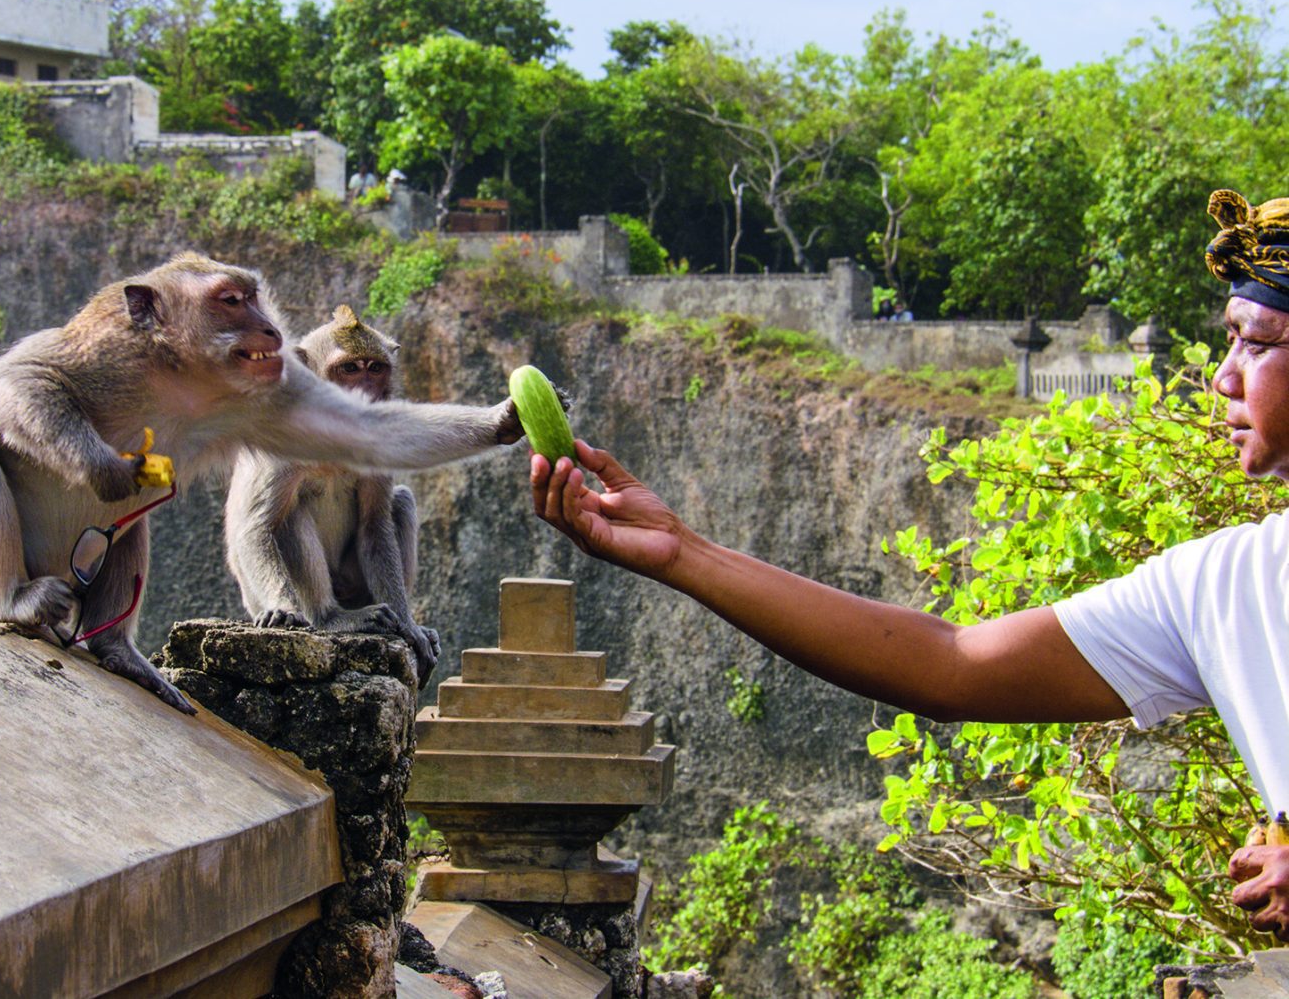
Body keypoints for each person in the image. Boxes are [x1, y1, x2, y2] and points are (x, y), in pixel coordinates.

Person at [528, 188, 1289, 941]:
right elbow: (948, 664)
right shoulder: (1227, 587)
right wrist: (682, 553)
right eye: (1227, 340)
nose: (1222, 377)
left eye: (1255, 342)